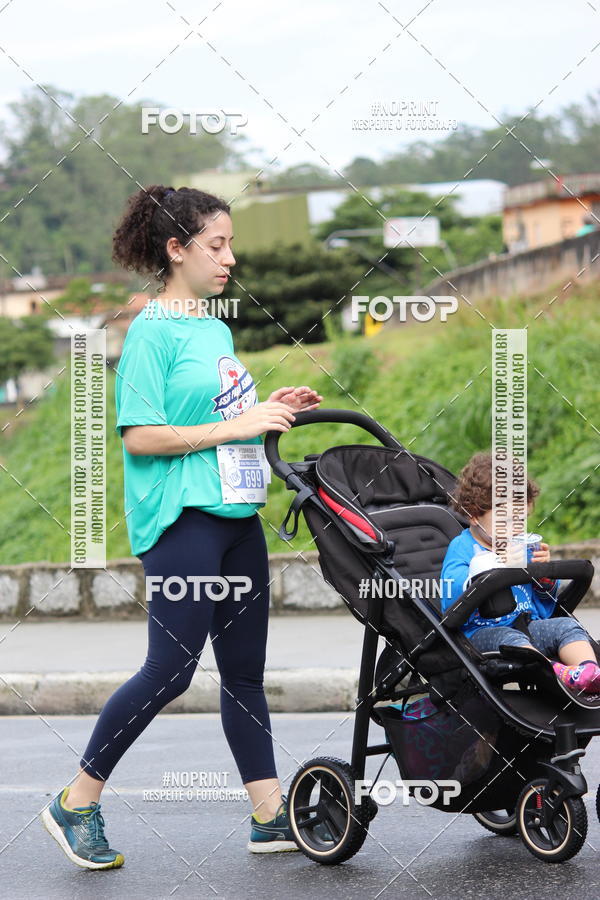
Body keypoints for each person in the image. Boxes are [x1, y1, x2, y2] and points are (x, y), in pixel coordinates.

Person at [41, 184, 324, 869]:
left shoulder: (213, 328)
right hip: (181, 521)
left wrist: (266, 405)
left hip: (235, 516)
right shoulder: (150, 332)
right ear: (177, 249)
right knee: (170, 672)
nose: (229, 257)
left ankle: (267, 814)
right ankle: (76, 801)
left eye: (231, 244)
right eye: (216, 245)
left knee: (245, 675)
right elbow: (141, 436)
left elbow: (220, 409)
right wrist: (237, 423)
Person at [440, 451, 600, 693]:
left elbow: (544, 603)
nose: (513, 529)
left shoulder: (521, 547)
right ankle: (559, 673)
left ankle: (589, 672)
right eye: (505, 521)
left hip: (528, 624)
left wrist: (544, 578)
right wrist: (486, 566)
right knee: (512, 640)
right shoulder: (462, 549)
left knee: (565, 625)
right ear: (473, 515)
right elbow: (451, 601)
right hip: (482, 634)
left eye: (520, 521)